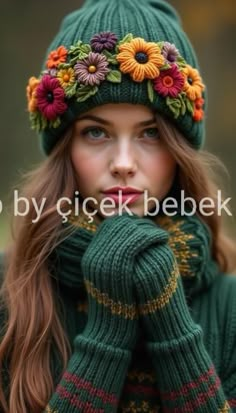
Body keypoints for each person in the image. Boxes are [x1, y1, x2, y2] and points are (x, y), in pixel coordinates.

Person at [0, 0, 236, 411]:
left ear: (179, 148)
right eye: (95, 133)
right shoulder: (9, 296)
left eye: (150, 134)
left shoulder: (229, 306)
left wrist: (170, 322)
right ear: (64, 148)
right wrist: (107, 334)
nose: (124, 164)